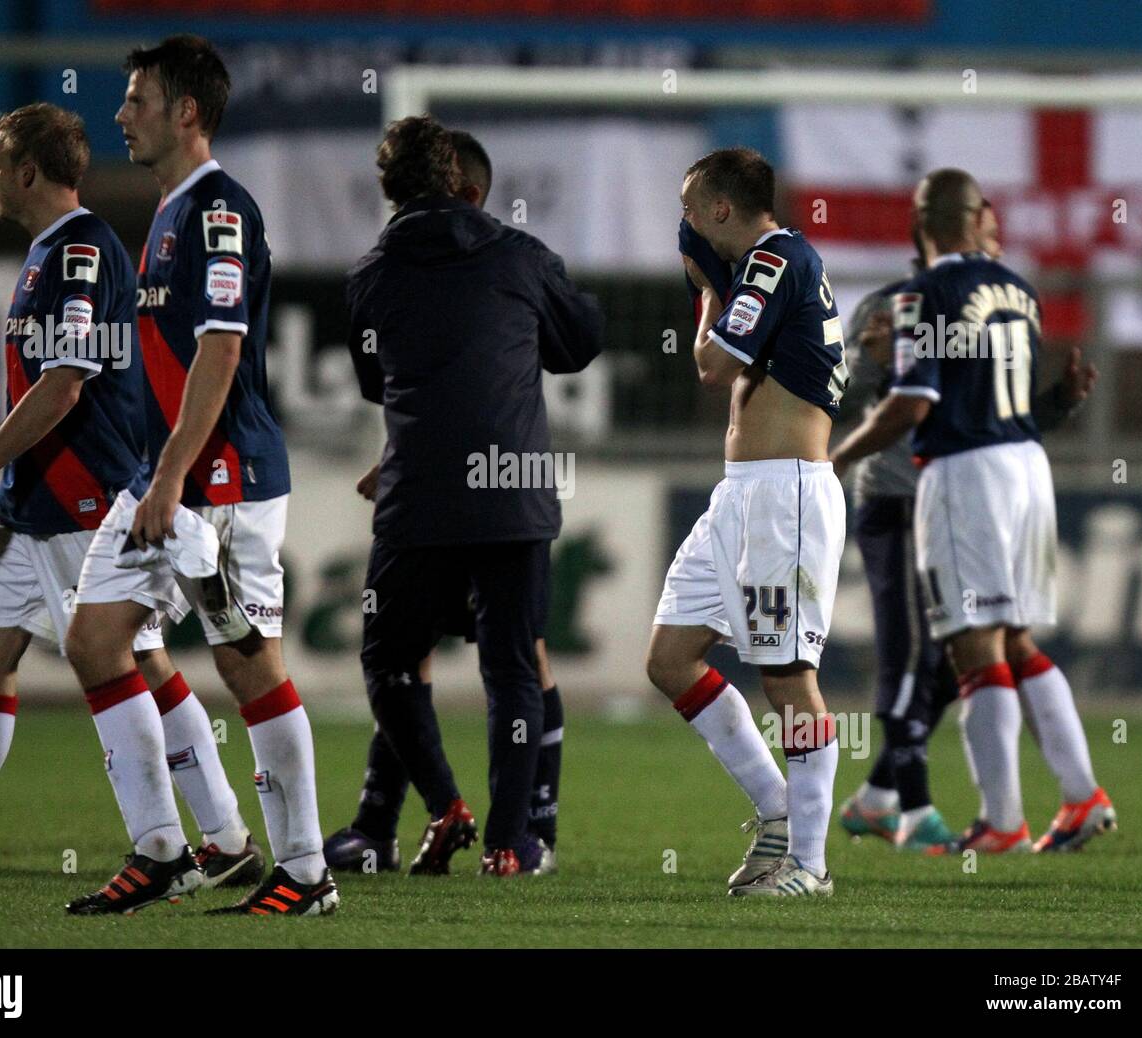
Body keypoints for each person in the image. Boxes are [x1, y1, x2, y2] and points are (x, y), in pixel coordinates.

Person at [0, 103, 257, 891]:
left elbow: (64, 388)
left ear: (26, 173)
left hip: (88, 502)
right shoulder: (51, 253)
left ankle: (211, 836)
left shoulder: (79, 254)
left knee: (134, 661)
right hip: (29, 507)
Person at [62, 35, 337, 916]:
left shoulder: (218, 212)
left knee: (246, 664)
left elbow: (221, 351)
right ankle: (164, 851)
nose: (121, 114)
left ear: (186, 112)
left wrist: (174, 475)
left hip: (223, 482)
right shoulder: (173, 213)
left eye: (136, 98)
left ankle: (304, 869)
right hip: (167, 476)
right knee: (95, 640)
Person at [830, 168, 1115, 854]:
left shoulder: (924, 294)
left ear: (921, 221)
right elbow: (992, 394)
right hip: (1026, 467)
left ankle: (1002, 823)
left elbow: (913, 405)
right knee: (1016, 639)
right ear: (976, 218)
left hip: (964, 474)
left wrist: (839, 455)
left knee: (972, 648)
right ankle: (1082, 798)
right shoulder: (1017, 288)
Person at [346, 115, 602, 877]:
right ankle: (509, 844)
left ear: (389, 189)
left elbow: (372, 381)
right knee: (514, 668)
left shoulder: (370, 275)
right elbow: (580, 341)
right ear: (468, 185)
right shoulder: (521, 257)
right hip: (513, 492)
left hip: (418, 495)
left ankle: (443, 807)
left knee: (391, 660)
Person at [647, 146, 848, 897]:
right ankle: (776, 813)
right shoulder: (778, 263)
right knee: (670, 659)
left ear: (720, 209)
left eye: (689, 206)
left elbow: (714, 364)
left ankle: (810, 863)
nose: (686, 222)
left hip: (783, 497)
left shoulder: (771, 260)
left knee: (789, 679)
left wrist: (704, 293)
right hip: (742, 494)